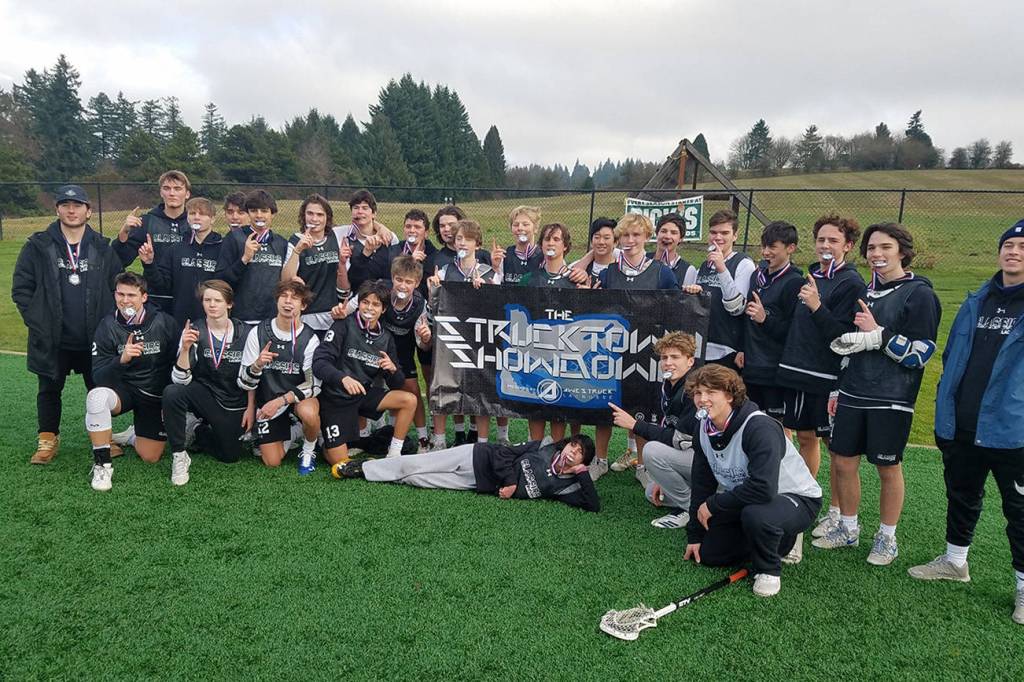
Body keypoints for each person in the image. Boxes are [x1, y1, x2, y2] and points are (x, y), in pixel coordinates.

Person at [908, 222, 1024, 624]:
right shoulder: (978, 299)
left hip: (1012, 429)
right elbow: (953, 356)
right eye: (1008, 245)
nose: (1013, 252)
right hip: (965, 422)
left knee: (1019, 511)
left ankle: (1023, 588)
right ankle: (955, 561)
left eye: (1022, 246)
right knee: (962, 494)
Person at [813, 223, 941, 567]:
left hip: (892, 396)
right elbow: (853, 345)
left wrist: (879, 336)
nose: (877, 254)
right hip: (853, 390)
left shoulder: (920, 294)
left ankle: (887, 537)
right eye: (871, 248)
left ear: (902, 252)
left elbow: (920, 355)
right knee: (842, 461)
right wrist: (838, 386)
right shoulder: (866, 293)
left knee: (887, 466)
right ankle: (848, 528)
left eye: (885, 247)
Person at [683, 365, 823, 598]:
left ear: (729, 396)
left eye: (711, 392)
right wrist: (695, 535)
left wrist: (714, 504)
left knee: (757, 515)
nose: (702, 399)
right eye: (698, 393)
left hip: (796, 498)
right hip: (748, 498)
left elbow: (763, 488)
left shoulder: (759, 427)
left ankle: (770, 566)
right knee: (711, 554)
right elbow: (702, 482)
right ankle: (766, 539)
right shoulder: (703, 428)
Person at [12, 185, 123, 465]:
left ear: (88, 211)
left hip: (93, 335)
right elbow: (21, 289)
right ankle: (47, 439)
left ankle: (104, 438)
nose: (71, 210)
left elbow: (117, 287)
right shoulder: (38, 245)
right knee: (49, 389)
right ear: (57, 209)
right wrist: (38, 322)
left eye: (77, 205)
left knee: (98, 388)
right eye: (65, 205)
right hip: (53, 336)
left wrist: (109, 327)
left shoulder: (102, 247)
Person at [777, 214, 865, 538]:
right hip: (798, 371)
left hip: (828, 377)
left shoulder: (851, 282)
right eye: (821, 239)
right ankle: (807, 499)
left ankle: (838, 513)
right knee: (805, 438)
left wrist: (816, 305)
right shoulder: (811, 274)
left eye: (833, 240)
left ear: (848, 246)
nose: (825, 245)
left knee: (837, 450)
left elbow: (842, 336)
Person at [334, 434, 600, 513]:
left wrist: (582, 474)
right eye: (572, 446)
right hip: (476, 456)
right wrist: (510, 482)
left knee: (415, 479)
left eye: (579, 453)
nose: (572, 452)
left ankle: (383, 472)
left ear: (582, 461)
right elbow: (504, 453)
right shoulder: (544, 447)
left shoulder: (564, 486)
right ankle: (363, 468)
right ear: (565, 444)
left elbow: (593, 505)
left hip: (477, 483)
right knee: (413, 465)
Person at [599, 213, 679, 472]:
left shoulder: (662, 273)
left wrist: (692, 293)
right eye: (625, 235)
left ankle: (643, 466)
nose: (630, 240)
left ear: (647, 237)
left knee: (644, 409)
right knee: (605, 408)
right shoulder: (610, 273)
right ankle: (600, 461)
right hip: (613, 352)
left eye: (636, 235)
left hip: (647, 353)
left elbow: (678, 308)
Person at [85, 272, 178, 491]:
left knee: (150, 456)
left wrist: (167, 402)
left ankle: (134, 435)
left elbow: (174, 363)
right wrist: (122, 359)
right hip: (122, 391)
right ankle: (102, 465)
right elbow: (98, 376)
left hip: (152, 393)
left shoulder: (164, 321)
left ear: (144, 297)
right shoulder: (106, 325)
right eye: (120, 294)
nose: (125, 300)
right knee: (96, 397)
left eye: (131, 295)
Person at [314, 280, 417, 466]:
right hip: (336, 399)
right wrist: (342, 379)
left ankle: (394, 453)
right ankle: (324, 442)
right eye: (365, 302)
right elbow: (319, 363)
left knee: (409, 400)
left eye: (376, 304)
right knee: (341, 462)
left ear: (383, 309)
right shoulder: (343, 325)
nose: (369, 308)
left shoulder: (386, 338)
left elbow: (396, 383)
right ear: (359, 304)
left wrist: (392, 370)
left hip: (362, 395)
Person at [161, 280, 254, 485]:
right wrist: (185, 349)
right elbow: (180, 380)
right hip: (204, 394)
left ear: (229, 304)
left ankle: (196, 430)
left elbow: (254, 377)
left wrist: (251, 407)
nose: (212, 305)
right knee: (172, 392)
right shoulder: (194, 330)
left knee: (230, 455)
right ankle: (179, 455)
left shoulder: (247, 332)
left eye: (217, 300)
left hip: (233, 400)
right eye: (207, 300)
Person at [608, 332, 698, 529]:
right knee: (651, 492)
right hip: (693, 456)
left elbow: (680, 441)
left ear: (690, 361)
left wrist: (635, 425)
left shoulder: (695, 390)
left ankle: (692, 509)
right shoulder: (671, 384)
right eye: (664, 358)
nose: (668, 363)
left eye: (675, 357)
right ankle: (706, 499)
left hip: (711, 460)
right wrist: (663, 479)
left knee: (651, 451)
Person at [426, 219, 500, 448]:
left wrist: (488, 291)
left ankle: (482, 442)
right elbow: (434, 309)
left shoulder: (489, 272)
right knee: (446, 386)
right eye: (459, 238)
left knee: (481, 390)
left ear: (477, 244)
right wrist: (433, 290)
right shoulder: (445, 271)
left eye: (468, 239)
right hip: (451, 340)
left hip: (479, 341)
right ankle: (444, 440)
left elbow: (499, 309)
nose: (462, 243)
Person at [237, 280, 321, 470]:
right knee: (272, 462)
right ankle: (297, 431)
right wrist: (257, 365)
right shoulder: (258, 332)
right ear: (277, 301)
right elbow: (244, 381)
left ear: (303, 306)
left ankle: (308, 450)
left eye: (295, 298)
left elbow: (313, 385)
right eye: (284, 296)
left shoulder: (310, 339)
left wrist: (281, 401)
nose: (288, 301)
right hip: (268, 401)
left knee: (309, 413)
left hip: (295, 399)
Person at [739, 221, 803, 423]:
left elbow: (793, 332)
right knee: (751, 422)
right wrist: (742, 348)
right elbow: (747, 320)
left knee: (777, 427)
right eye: (764, 246)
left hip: (774, 372)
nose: (766, 252)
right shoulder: (757, 277)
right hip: (751, 368)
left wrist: (765, 319)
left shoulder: (795, 283)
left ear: (790, 248)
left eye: (772, 247)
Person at [686, 210, 756, 372]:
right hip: (700, 346)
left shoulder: (744, 263)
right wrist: (694, 293)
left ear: (735, 235)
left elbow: (736, 308)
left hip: (727, 350)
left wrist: (722, 268)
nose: (718, 237)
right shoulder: (704, 266)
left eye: (724, 233)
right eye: (713, 232)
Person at [113, 170, 192, 312]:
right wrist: (124, 232)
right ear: (161, 192)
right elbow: (121, 259)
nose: (172, 193)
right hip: (155, 298)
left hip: (187, 296)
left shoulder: (195, 223)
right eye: (166, 188)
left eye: (177, 188)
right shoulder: (147, 222)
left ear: (187, 194)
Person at [139, 197, 223, 327]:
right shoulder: (176, 249)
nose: (196, 217)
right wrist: (149, 264)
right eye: (192, 213)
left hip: (213, 319)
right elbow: (162, 285)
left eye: (202, 214)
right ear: (187, 218)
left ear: (212, 219)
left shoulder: (222, 248)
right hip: (180, 318)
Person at [214, 189, 290, 325]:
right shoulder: (234, 238)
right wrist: (244, 259)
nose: (259, 215)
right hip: (241, 319)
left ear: (273, 214)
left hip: (272, 319)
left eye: (264, 211)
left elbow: (285, 279)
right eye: (254, 211)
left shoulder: (281, 243)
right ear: (248, 213)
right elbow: (221, 280)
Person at [281, 193, 349, 336]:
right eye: (310, 213)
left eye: (320, 214)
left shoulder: (336, 235)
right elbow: (285, 279)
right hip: (305, 315)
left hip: (332, 314)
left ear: (327, 217)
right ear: (303, 215)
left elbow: (362, 223)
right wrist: (298, 250)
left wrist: (381, 228)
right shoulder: (296, 240)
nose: (314, 219)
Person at [340, 189, 398, 293]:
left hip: (385, 296)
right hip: (357, 297)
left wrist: (380, 227)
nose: (360, 211)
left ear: (374, 213)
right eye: (356, 207)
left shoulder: (389, 237)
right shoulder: (343, 236)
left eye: (365, 208)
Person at [492, 205, 544, 285]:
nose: (520, 228)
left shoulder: (544, 257)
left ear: (535, 228)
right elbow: (496, 286)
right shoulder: (504, 257)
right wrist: (495, 268)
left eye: (525, 224)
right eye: (516, 225)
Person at [651, 213, 697, 285]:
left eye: (673, 233)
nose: (667, 236)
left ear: (681, 238)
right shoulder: (642, 260)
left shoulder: (687, 270)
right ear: (657, 234)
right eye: (663, 231)